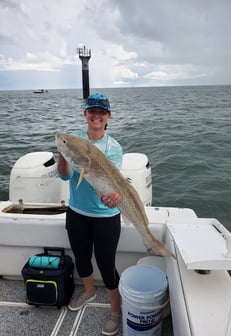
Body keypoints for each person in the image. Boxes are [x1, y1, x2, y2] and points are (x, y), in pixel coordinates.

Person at [57, 93, 122, 336]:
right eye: (92, 110)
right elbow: (64, 176)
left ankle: (115, 311)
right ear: (86, 114)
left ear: (108, 117)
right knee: (81, 257)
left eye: (102, 112)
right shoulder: (74, 142)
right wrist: (62, 155)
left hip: (106, 217)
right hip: (77, 213)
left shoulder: (113, 148)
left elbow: (113, 185)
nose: (97, 115)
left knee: (106, 264)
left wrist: (113, 196)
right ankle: (88, 291)